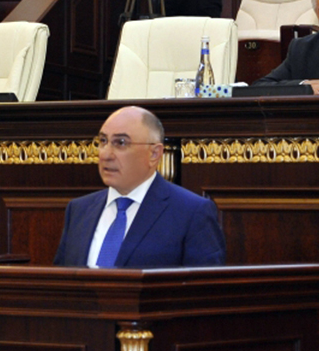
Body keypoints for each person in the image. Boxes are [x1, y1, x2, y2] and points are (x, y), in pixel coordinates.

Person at [53, 106, 226, 268]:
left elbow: (206, 293)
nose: (106, 154)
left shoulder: (192, 213)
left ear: (154, 154)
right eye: (103, 141)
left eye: (120, 142)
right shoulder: (79, 210)